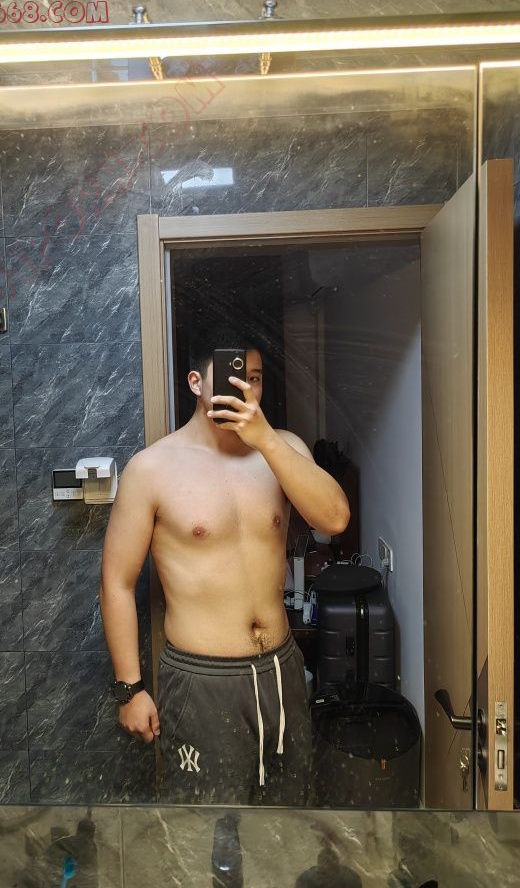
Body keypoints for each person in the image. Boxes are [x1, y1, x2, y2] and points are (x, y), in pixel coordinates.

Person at [100, 336, 350, 804]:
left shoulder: (283, 448)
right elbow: (117, 582)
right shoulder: (151, 469)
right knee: (204, 823)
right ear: (197, 382)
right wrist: (129, 689)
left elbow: (334, 520)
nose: (245, 388)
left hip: (280, 668)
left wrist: (265, 439)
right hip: (201, 680)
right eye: (233, 376)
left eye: (254, 378)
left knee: (289, 814)